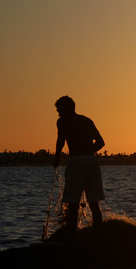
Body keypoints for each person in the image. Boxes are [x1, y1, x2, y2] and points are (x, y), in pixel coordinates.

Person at [53, 96, 106, 230]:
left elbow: (61, 140)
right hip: (92, 162)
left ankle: (71, 233)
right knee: (94, 202)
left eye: (59, 109)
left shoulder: (63, 121)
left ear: (67, 108)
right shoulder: (87, 121)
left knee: (73, 202)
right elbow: (101, 142)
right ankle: (98, 233)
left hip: (77, 161)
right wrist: (88, 150)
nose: (58, 112)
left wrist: (56, 157)